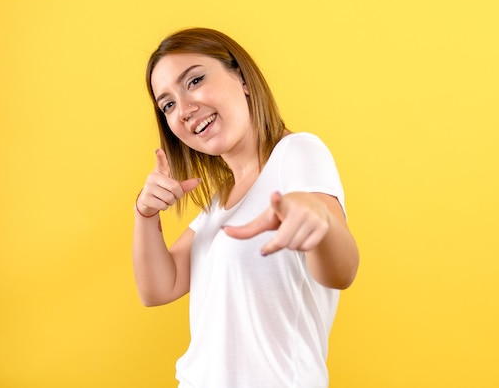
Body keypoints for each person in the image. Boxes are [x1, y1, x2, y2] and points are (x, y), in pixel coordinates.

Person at [132, 27, 359, 388]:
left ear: (242, 78)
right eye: (168, 105)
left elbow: (341, 271)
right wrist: (144, 215)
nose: (185, 110)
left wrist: (321, 226)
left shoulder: (296, 153)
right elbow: (159, 288)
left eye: (194, 81)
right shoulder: (221, 200)